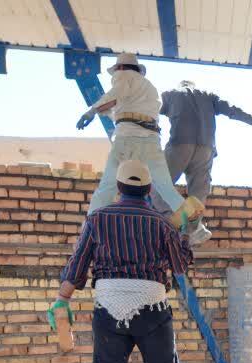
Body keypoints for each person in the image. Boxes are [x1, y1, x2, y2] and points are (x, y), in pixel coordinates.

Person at [50, 160, 192, 363]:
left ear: (118, 187)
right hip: (152, 310)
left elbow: (78, 264)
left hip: (109, 309)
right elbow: (180, 267)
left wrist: (62, 298)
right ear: (149, 190)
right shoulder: (162, 224)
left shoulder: (97, 219)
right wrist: (184, 234)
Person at [77, 52, 207, 243]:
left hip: (127, 139)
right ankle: (195, 226)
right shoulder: (149, 88)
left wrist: (91, 111)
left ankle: (89, 229)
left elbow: (115, 96)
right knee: (165, 187)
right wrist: (112, 112)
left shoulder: (124, 77)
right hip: (151, 140)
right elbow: (130, 107)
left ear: (120, 68)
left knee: (108, 186)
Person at [159, 80, 252, 203]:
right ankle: (191, 222)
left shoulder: (171, 94)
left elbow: (151, 106)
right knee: (197, 198)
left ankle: (155, 219)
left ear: (180, 86)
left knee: (160, 185)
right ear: (194, 86)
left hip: (179, 144)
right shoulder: (208, 95)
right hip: (205, 150)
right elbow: (230, 109)